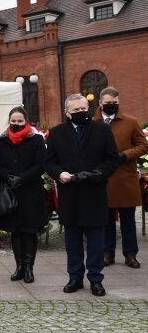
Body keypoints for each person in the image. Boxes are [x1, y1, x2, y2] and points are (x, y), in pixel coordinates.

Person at [45, 93, 120, 296]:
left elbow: (112, 159)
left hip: (94, 192)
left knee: (96, 241)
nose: (80, 113)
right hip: (70, 194)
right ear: (67, 112)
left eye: (83, 109)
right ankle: (75, 277)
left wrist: (98, 173)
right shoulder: (57, 133)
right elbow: (49, 161)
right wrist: (60, 174)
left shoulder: (102, 130)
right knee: (73, 240)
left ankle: (96, 278)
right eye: (76, 110)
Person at [0, 107, 48, 283]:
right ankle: (19, 267)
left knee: (29, 231)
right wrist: (8, 176)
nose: (16, 124)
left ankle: (29, 268)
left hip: (30, 191)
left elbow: (41, 164)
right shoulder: (1, 140)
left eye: (19, 121)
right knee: (15, 231)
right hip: (9, 192)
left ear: (26, 121)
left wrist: (22, 178)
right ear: (9, 121)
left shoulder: (36, 139)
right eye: (13, 121)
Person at [94, 87, 148, 268]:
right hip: (102, 178)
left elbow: (143, 145)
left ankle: (130, 254)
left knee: (128, 220)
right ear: (100, 103)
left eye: (115, 103)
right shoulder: (92, 123)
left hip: (124, 177)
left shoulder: (130, 122)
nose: (111, 106)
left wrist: (125, 155)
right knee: (106, 219)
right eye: (108, 103)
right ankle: (107, 253)